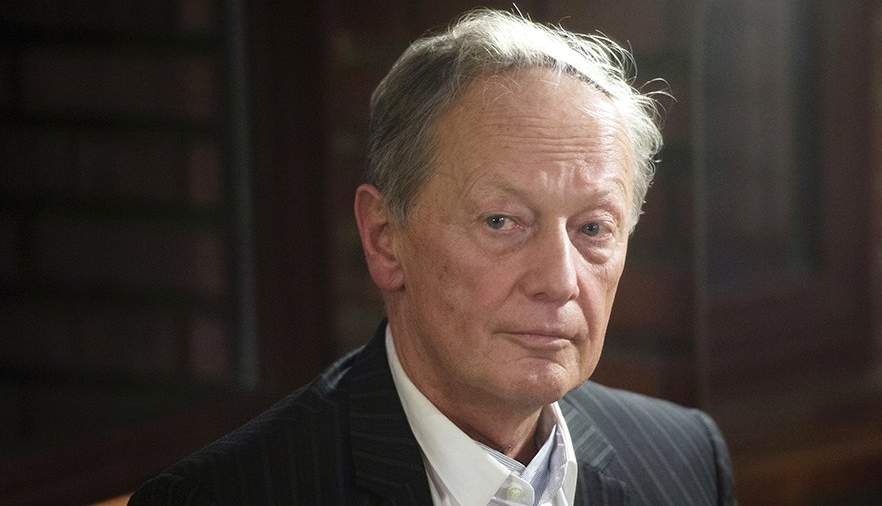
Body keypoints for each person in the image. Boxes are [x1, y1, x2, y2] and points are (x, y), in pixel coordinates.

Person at [130, 9, 734, 506]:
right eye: (502, 221)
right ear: (384, 238)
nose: (559, 281)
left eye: (593, 228)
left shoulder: (685, 460)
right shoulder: (223, 495)